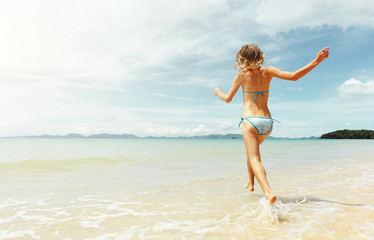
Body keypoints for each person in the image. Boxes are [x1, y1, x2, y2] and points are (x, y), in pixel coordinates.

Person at [214, 44, 329, 205]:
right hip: (268, 123)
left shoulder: (242, 75)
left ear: (241, 58)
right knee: (252, 154)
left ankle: (269, 193)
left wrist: (218, 92)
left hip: (250, 121)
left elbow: (227, 99)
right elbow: (294, 76)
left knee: (254, 158)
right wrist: (316, 61)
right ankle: (251, 183)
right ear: (260, 56)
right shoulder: (268, 71)